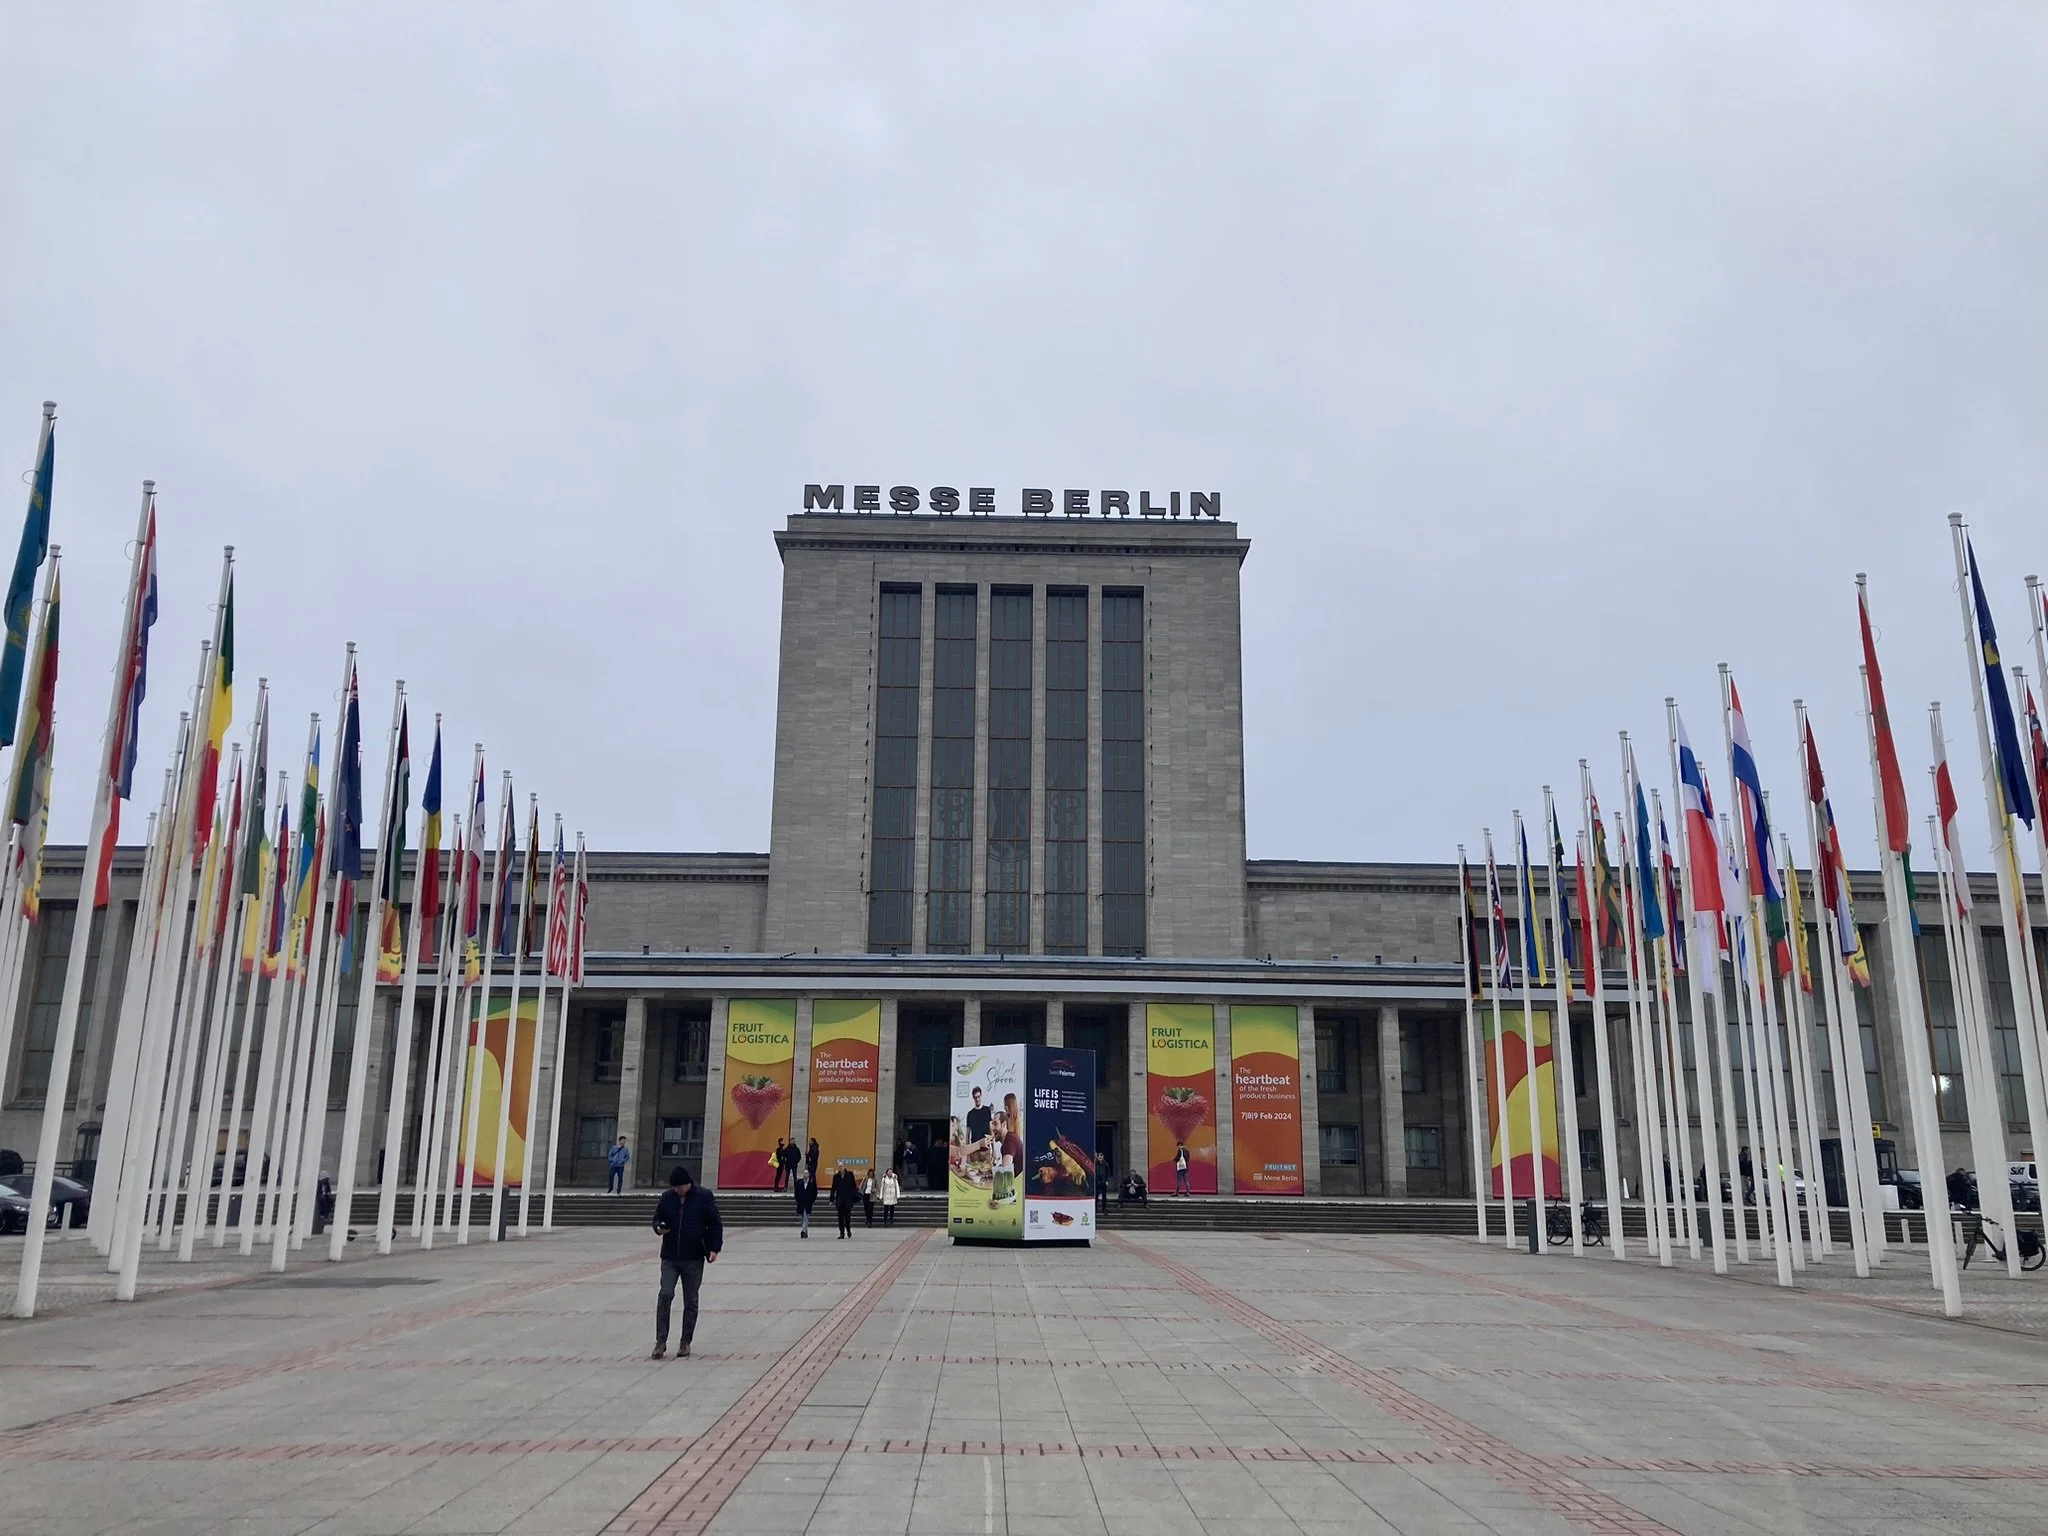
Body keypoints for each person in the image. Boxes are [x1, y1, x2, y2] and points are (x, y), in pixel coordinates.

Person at [650, 1165, 722, 1360]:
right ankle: (660, 1341)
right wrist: (658, 1227)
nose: (677, 1190)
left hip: (694, 1256)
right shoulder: (667, 1198)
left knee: (691, 1300)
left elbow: (715, 1223)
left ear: (688, 1184)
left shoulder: (703, 1196)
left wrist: (714, 1248)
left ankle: (685, 1341)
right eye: (674, 1187)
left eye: (679, 1187)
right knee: (665, 1294)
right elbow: (657, 1218)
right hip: (670, 1256)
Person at [832, 1166, 859, 1237]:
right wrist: (831, 1199)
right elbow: (833, 1188)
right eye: (839, 1167)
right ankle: (842, 1233)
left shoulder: (850, 1175)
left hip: (848, 1199)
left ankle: (848, 1230)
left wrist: (854, 1196)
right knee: (840, 1218)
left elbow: (853, 1186)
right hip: (840, 1200)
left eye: (841, 1167)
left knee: (847, 1217)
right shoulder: (836, 1176)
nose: (840, 1168)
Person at [793, 1168, 817, 1238]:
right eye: (804, 1173)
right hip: (801, 1202)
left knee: (806, 1217)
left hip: (808, 1203)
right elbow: (796, 1192)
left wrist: (812, 1200)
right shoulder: (799, 1182)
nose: (805, 1175)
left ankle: (803, 1231)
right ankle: (805, 1233)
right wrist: (797, 1199)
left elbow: (815, 1192)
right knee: (803, 1218)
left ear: (809, 1174)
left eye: (806, 1173)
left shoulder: (812, 1182)